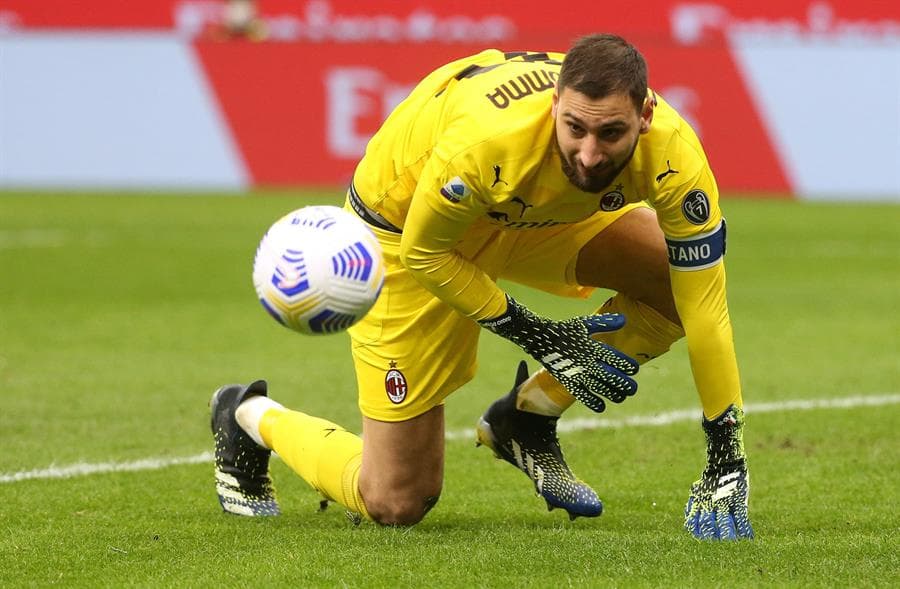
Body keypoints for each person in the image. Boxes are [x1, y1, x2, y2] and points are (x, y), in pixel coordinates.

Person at [210, 33, 753, 540]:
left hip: (534, 217)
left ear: (646, 116)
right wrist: (532, 331)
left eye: (611, 134)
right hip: (410, 234)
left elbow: (705, 306)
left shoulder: (675, 157)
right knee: (396, 500)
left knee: (674, 285)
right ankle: (249, 417)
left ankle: (526, 417)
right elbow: (427, 250)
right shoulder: (487, 145)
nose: (590, 154)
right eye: (575, 130)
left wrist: (725, 458)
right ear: (553, 110)